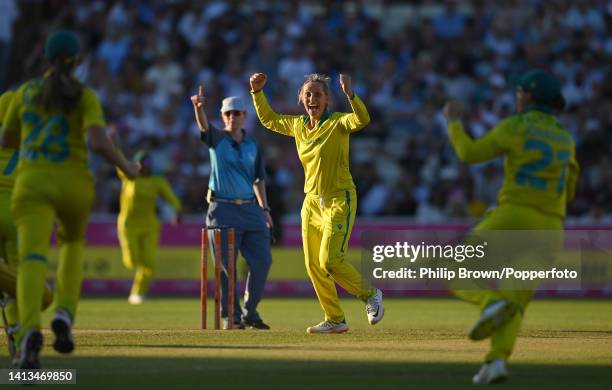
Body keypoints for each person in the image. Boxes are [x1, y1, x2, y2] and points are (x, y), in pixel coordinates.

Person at [2, 31, 139, 369]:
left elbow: (7, 137)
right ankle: (64, 312)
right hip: (74, 183)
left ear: (45, 60)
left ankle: (30, 329)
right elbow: (98, 142)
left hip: (32, 183)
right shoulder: (84, 96)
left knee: (31, 259)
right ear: (77, 62)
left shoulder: (25, 93)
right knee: (71, 245)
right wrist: (127, 167)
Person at [442, 69, 578, 384]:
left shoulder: (516, 126)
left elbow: (469, 153)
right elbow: (569, 190)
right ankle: (497, 361)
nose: (517, 97)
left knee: (452, 269)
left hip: (514, 216)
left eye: (519, 93)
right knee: (514, 299)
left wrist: (453, 122)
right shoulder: (565, 138)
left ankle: (490, 303)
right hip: (551, 229)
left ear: (528, 96)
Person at [249, 72, 384, 334]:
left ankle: (370, 294)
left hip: (339, 198)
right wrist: (256, 92)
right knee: (313, 266)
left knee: (330, 260)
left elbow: (362, 119)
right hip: (311, 203)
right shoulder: (298, 125)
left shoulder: (337, 123)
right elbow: (268, 119)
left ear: (326, 100)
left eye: (318, 95)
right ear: (301, 99)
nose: (313, 98)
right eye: (308, 94)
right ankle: (335, 318)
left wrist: (351, 95)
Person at [191, 87, 273, 330]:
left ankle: (250, 311)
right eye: (228, 113)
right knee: (227, 268)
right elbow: (204, 128)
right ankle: (232, 316)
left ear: (244, 116)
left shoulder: (252, 145)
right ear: (223, 115)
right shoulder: (217, 138)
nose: (232, 117)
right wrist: (199, 109)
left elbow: (259, 180)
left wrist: (265, 209)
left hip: (251, 209)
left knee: (262, 262)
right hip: (222, 209)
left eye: (236, 113)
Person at [117, 150, 182, 305]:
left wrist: (177, 210)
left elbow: (170, 197)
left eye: (146, 164)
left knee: (149, 263)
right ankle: (137, 285)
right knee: (132, 261)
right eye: (140, 164)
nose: (144, 167)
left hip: (149, 225)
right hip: (129, 225)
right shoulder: (128, 176)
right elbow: (117, 159)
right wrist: (113, 141)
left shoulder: (157, 180)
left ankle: (137, 293)